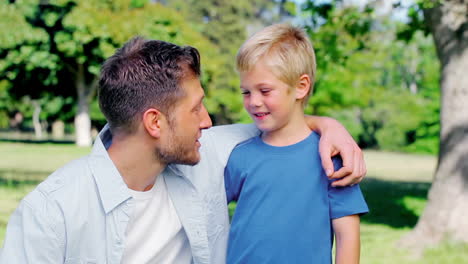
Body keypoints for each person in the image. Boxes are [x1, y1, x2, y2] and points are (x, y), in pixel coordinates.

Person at [0, 37, 365, 264]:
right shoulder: (52, 212)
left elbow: (286, 128)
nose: (208, 122)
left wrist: (329, 126)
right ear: (155, 123)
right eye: (195, 109)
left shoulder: (206, 154)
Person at [224, 24, 369, 264]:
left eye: (265, 90)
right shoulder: (239, 156)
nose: (253, 102)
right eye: (246, 92)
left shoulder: (331, 158)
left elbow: (348, 236)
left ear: (301, 87)